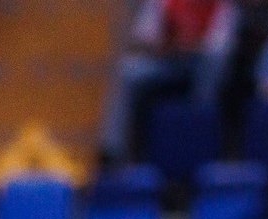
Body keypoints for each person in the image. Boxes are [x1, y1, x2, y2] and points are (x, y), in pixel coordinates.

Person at [101, 0, 240, 159]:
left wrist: (190, 45)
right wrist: (169, 45)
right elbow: (142, 39)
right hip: (168, 61)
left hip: (202, 66)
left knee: (213, 61)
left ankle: (202, 129)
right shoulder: (164, 3)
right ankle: (112, 150)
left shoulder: (221, 5)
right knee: (127, 71)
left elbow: (219, 46)